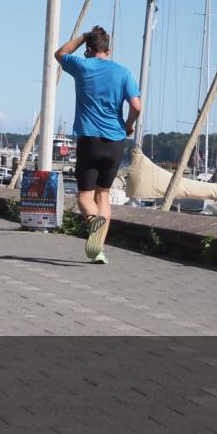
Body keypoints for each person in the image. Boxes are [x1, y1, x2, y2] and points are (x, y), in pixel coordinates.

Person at [54, 26, 142, 264]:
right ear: (108, 50)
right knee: (103, 195)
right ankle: (99, 250)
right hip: (115, 142)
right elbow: (136, 106)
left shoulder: (83, 66)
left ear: (89, 50)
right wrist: (129, 125)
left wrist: (83, 36)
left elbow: (60, 53)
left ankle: (93, 223)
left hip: (89, 140)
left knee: (85, 197)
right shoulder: (123, 72)